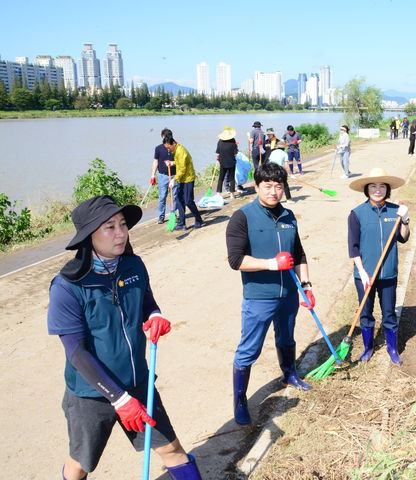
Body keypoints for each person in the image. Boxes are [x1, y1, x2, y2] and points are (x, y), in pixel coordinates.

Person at [47, 195, 202, 480]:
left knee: (172, 449)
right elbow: (76, 352)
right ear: (88, 236)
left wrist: (154, 316)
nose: (121, 233)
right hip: (91, 395)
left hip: (138, 382)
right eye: (109, 227)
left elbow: (147, 303)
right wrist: (118, 399)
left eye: (122, 225)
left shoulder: (133, 266)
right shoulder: (67, 286)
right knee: (80, 465)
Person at [225, 162, 315, 426]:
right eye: (267, 186)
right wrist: (270, 264)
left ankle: (290, 374)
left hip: (289, 292)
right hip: (259, 295)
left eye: (278, 186)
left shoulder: (289, 217)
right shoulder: (242, 217)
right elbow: (235, 260)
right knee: (248, 350)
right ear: (257, 187)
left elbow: (299, 254)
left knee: (287, 337)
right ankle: (240, 400)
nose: (274, 192)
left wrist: (307, 286)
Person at [347, 168, 410, 364]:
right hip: (365, 275)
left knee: (389, 312)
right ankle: (368, 347)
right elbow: (353, 247)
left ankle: (392, 348)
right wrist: (362, 272)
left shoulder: (395, 211)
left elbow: (404, 238)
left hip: (388, 273)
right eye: (373, 186)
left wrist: (405, 220)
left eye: (382, 186)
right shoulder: (357, 214)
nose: (377, 190)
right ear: (366, 189)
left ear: (387, 189)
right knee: (365, 312)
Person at [163, 135, 203, 230]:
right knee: (179, 199)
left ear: (173, 143)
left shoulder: (181, 151)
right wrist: (172, 163)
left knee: (188, 201)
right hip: (182, 179)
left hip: (188, 178)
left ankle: (198, 219)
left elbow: (182, 169)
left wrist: (173, 179)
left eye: (169, 147)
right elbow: (179, 162)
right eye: (167, 148)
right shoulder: (175, 150)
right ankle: (182, 223)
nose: (168, 150)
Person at [150, 127, 180, 224]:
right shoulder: (158, 148)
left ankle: (173, 213)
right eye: (165, 136)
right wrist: (152, 175)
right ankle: (161, 216)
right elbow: (155, 161)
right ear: (162, 137)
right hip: (163, 175)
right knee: (162, 196)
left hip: (174, 175)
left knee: (174, 196)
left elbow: (180, 161)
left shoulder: (176, 147)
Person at [216, 126, 239, 198]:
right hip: (231, 162)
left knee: (221, 178)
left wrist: (217, 160)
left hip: (222, 162)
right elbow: (236, 153)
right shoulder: (233, 140)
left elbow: (217, 153)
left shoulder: (220, 141)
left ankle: (219, 193)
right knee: (231, 178)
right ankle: (232, 194)